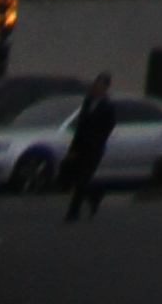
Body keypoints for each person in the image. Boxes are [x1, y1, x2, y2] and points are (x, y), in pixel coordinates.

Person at [60, 78, 118, 222]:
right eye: (94, 86)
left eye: (98, 87)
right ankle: (94, 196)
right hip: (80, 146)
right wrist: (73, 148)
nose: (95, 89)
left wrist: (97, 142)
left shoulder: (108, 106)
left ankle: (73, 213)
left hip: (94, 148)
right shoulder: (88, 101)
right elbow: (81, 126)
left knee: (83, 179)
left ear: (104, 89)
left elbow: (108, 127)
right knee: (74, 176)